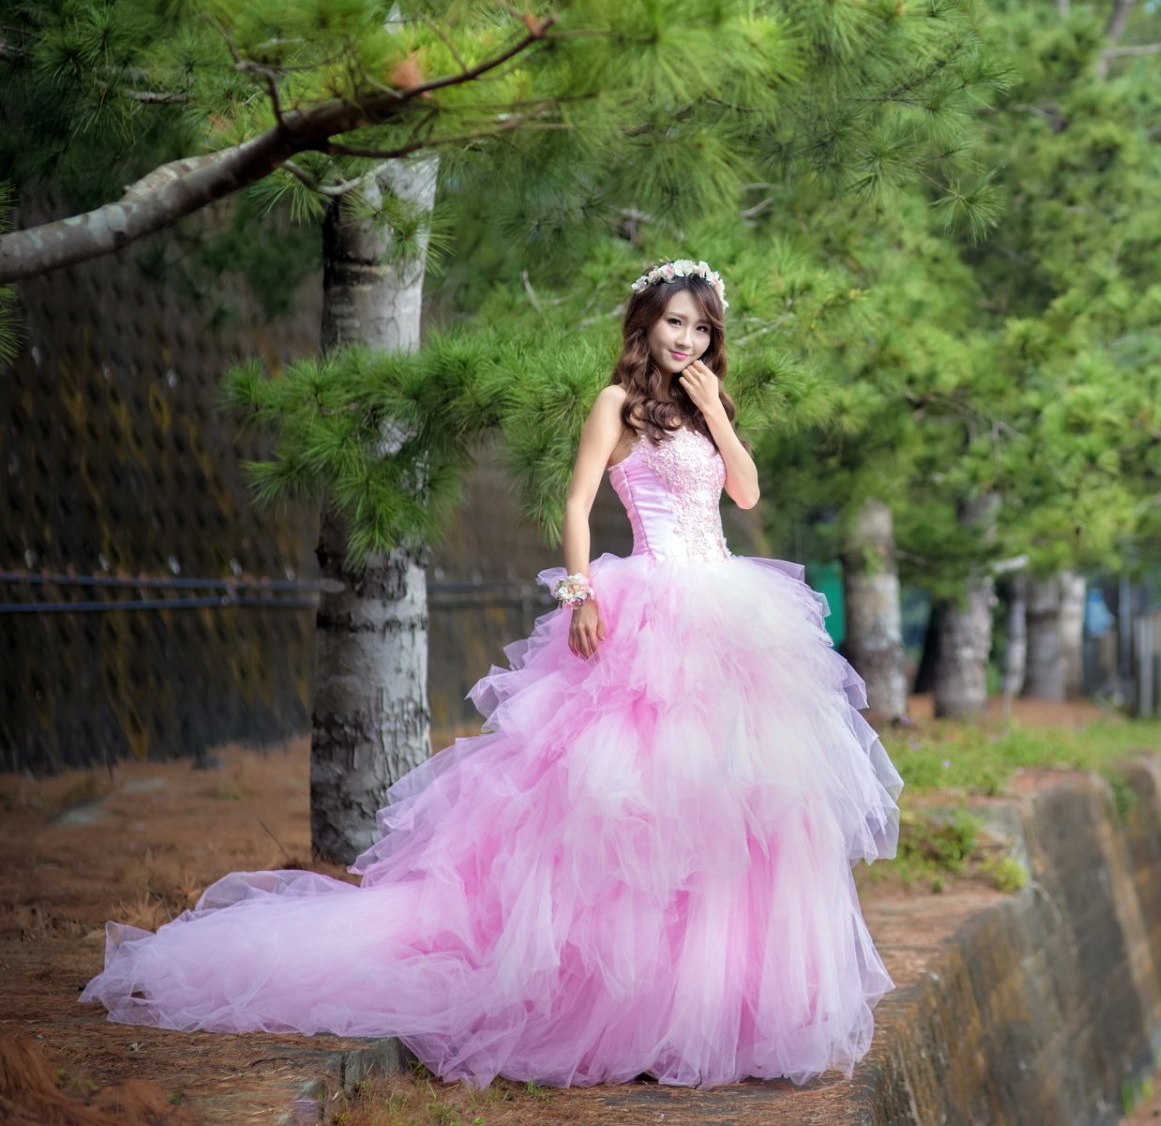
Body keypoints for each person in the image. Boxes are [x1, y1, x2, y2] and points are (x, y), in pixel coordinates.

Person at [78, 259, 905, 1091]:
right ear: (646, 324)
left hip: (728, 610)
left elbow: (748, 495)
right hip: (649, 603)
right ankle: (617, 1003)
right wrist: (582, 593)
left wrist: (717, 415)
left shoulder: (711, 402)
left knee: (738, 812)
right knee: (629, 808)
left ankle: (714, 1004)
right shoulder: (615, 405)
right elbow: (578, 502)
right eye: (675, 324)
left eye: (701, 328)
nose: (687, 339)